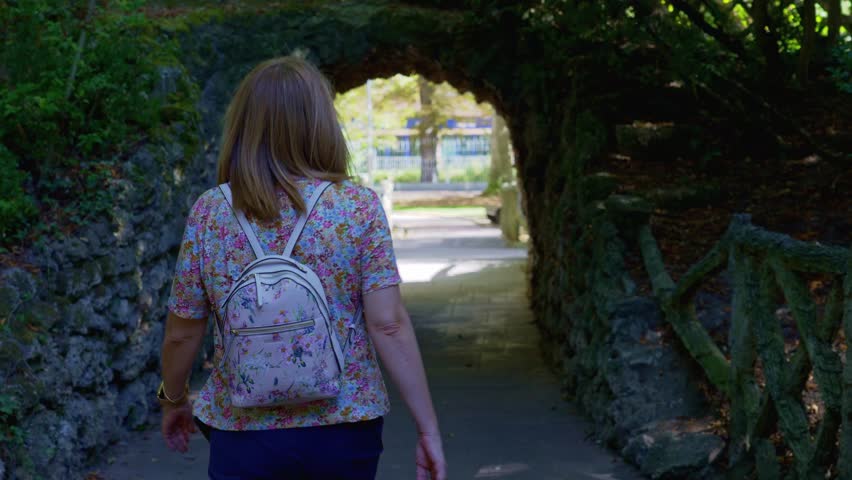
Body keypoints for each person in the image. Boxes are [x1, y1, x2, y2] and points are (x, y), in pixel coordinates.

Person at [158, 56, 446, 480]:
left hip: (243, 430)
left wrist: (174, 398)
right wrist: (428, 429)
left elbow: (183, 330)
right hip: (346, 424)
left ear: (243, 126)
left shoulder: (211, 212)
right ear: (321, 123)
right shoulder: (356, 208)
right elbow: (388, 325)